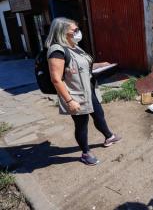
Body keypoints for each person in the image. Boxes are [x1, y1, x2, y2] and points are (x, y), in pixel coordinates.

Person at [45, 17, 121, 166]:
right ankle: (85, 153)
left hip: (88, 90)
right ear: (62, 32)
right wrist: (69, 101)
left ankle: (109, 136)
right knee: (82, 124)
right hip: (75, 95)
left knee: (99, 114)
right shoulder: (57, 51)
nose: (78, 33)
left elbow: (83, 65)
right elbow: (56, 79)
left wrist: (100, 65)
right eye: (75, 30)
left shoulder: (74, 45)